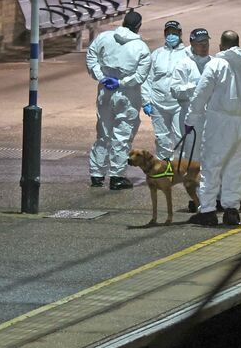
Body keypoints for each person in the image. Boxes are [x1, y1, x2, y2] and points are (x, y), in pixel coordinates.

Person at [185, 30, 241, 226]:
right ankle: (231, 210)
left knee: (211, 166)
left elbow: (201, 95)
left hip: (220, 122)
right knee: (235, 168)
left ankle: (208, 210)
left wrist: (190, 119)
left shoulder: (215, 65)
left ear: (221, 46)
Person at [86, 11, 151, 190]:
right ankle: (117, 176)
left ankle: (97, 174)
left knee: (103, 133)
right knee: (122, 136)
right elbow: (140, 76)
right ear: (139, 26)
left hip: (105, 92)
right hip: (127, 95)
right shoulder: (141, 48)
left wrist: (101, 77)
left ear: (123, 22)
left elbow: (91, 57)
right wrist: (121, 82)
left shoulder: (104, 37)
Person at [170, 28, 212, 213]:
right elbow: (175, 89)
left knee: (212, 157)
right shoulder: (184, 64)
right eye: (200, 43)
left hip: (211, 118)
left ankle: (211, 196)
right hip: (191, 118)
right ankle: (195, 197)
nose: (204, 46)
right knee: (193, 160)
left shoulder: (215, 63)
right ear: (192, 45)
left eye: (206, 43)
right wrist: (194, 87)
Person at [141, 20, 188, 160]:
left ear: (180, 34)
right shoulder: (156, 54)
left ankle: (180, 166)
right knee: (161, 137)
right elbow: (147, 78)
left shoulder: (187, 54)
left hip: (179, 104)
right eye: (168, 33)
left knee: (181, 136)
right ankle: (164, 165)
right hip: (158, 103)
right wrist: (146, 101)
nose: (171, 35)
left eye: (174, 33)